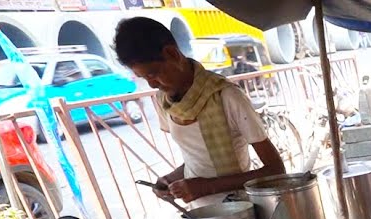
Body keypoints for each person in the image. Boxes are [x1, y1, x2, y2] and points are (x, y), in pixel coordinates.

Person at [113, 18, 284, 208]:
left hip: (240, 213)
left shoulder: (226, 96)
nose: (152, 84)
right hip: (201, 216)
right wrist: (172, 179)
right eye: (144, 78)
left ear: (172, 53)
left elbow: (275, 170)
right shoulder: (164, 101)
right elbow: (199, 161)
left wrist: (208, 187)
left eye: (153, 74)